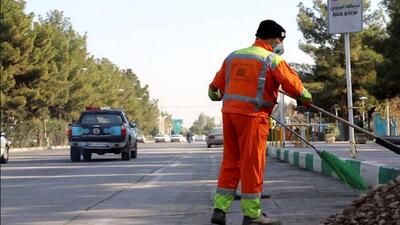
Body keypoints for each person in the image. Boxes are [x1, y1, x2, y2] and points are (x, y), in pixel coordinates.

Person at [208, 19, 312, 225]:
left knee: (231, 161)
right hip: (253, 117)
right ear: (273, 38)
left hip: (229, 115)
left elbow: (213, 90)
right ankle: (252, 214)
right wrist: (306, 98)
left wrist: (220, 94)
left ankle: (220, 209)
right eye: (281, 39)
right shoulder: (271, 59)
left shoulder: (233, 57)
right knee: (252, 164)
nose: (282, 44)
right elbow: (295, 86)